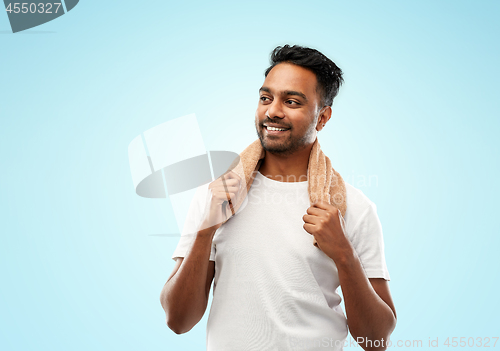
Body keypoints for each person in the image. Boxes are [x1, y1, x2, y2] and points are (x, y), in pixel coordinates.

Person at [160, 44, 397, 351]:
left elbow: (376, 340)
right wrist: (206, 230)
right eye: (265, 98)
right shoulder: (217, 195)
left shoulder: (353, 208)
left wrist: (344, 254)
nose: (273, 111)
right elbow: (178, 321)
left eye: (292, 101)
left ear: (322, 118)